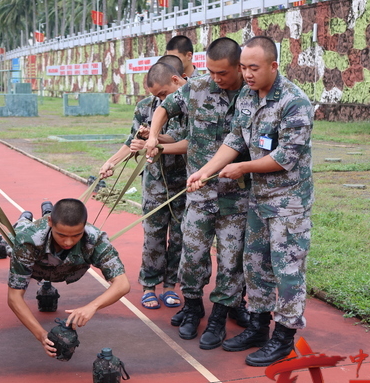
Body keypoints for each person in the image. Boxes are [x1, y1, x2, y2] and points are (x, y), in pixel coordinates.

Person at [187, 36, 314, 366]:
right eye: (243, 67)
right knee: (255, 265)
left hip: (288, 202)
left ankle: (284, 337)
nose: (246, 74)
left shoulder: (294, 102)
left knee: (287, 270)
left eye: (253, 68)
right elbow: (235, 139)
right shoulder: (246, 94)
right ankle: (258, 326)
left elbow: (285, 156)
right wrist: (205, 172)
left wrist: (242, 167)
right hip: (258, 198)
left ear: (274, 66)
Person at [144, 37, 252, 350]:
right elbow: (165, 107)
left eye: (223, 73)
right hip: (199, 194)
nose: (216, 79)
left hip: (236, 196)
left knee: (232, 260)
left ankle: (221, 314)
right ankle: (193, 306)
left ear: (238, 67)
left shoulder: (252, 93)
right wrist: (153, 136)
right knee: (192, 254)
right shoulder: (198, 87)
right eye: (212, 72)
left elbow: (239, 142)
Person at [100, 60, 187, 310]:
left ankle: (170, 287)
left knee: (180, 237)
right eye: (155, 96)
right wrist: (112, 162)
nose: (160, 100)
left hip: (183, 182)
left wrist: (153, 139)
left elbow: (183, 139)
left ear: (175, 81)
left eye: (162, 94)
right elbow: (131, 141)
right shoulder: (145, 107)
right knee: (153, 237)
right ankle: (149, 286)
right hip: (155, 184)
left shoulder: (190, 103)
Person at [7, 199, 130, 358]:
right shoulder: (28, 240)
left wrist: (92, 306)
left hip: (69, 269)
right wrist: (41, 334)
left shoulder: (95, 239)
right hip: (38, 267)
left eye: (76, 235)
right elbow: (14, 297)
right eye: (62, 235)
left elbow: (123, 284)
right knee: (13, 237)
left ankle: (47, 212)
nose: (68, 242)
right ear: (51, 223)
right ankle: (25, 218)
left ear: (85, 226)